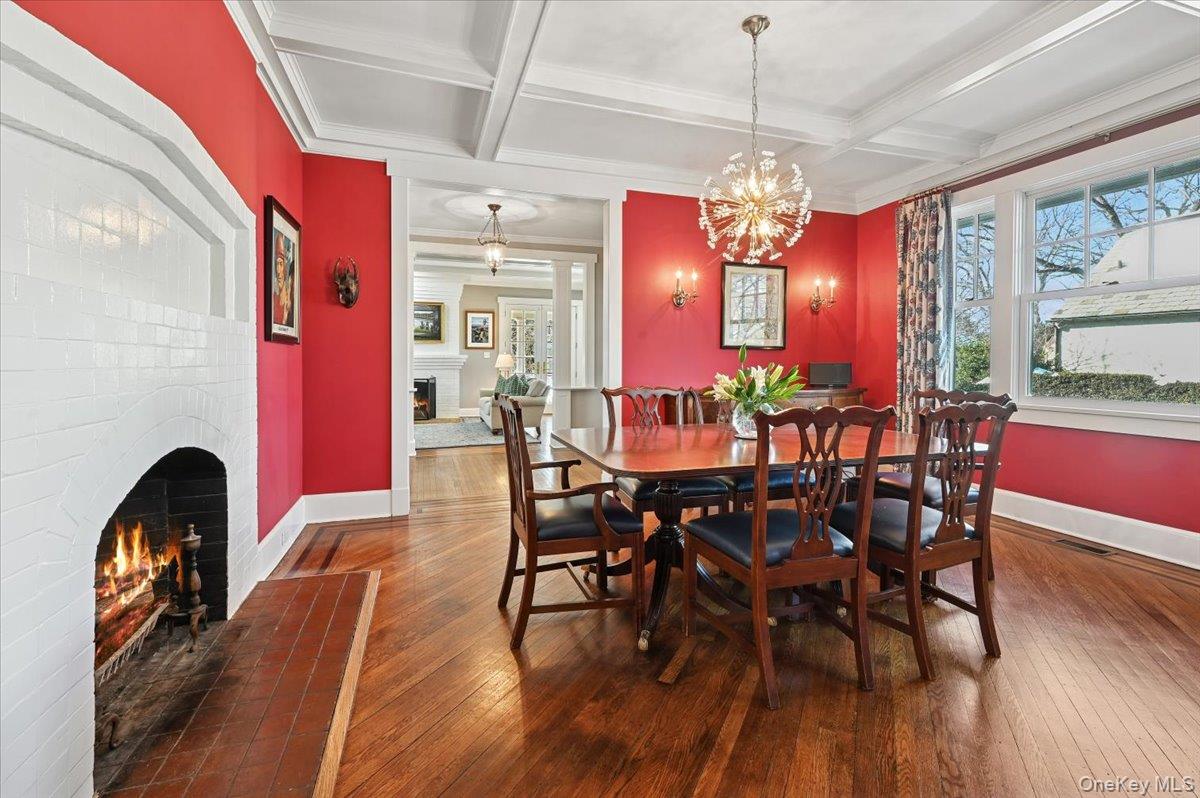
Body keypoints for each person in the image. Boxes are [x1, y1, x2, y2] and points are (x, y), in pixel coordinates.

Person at [272, 231, 293, 328]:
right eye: (276, 264)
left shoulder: (289, 295)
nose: (278, 270)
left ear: (285, 265)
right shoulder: (273, 294)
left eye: (280, 264)